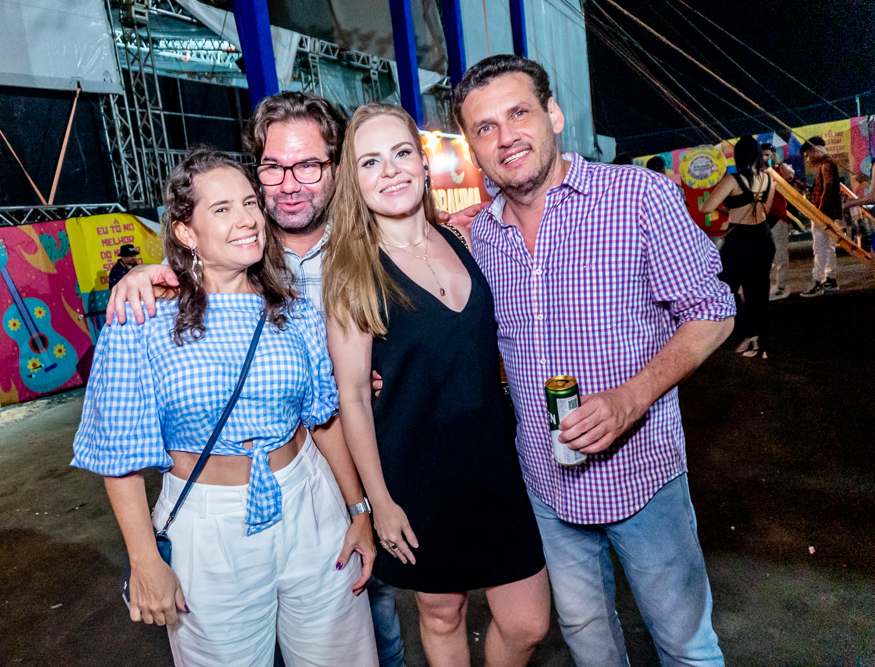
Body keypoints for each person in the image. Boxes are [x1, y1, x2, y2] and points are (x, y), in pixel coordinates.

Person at [106, 91, 484, 667]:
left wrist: (361, 507)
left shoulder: (367, 248)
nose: (286, 185)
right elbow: (120, 448)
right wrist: (149, 274)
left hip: (353, 476)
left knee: (374, 639)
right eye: (272, 168)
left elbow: (334, 404)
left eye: (308, 165)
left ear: (336, 169)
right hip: (213, 511)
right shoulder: (158, 306)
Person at [452, 54, 734, 667]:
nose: (506, 137)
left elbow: (714, 311)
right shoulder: (480, 237)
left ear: (553, 114)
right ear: (474, 148)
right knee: (587, 639)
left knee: (685, 644)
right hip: (547, 485)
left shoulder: (639, 198)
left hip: (643, 478)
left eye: (519, 113)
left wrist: (633, 397)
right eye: (485, 127)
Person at [74, 149, 378, 667]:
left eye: (250, 203)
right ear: (185, 231)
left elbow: (322, 421)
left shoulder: (293, 310)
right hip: (206, 524)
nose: (247, 219)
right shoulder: (141, 319)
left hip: (310, 503)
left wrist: (358, 510)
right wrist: (144, 558)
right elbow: (118, 454)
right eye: (221, 209)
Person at [324, 103, 550, 667]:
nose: (390, 170)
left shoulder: (468, 241)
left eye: (402, 153)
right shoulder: (353, 272)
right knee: (443, 613)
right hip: (416, 472)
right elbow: (353, 397)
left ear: (424, 165)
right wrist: (379, 502)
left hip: (496, 462)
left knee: (527, 623)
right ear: (354, 180)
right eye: (370, 162)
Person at [699, 137, 775, 358]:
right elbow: (766, 209)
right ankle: (758, 340)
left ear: (738, 156)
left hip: (740, 239)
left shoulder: (732, 180)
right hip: (763, 237)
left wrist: (728, 209)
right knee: (758, 290)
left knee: (725, 287)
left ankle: (743, 334)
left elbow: (706, 207)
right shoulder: (769, 179)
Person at [799, 136, 843, 297]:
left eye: (808, 155)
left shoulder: (826, 165)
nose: (808, 159)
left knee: (819, 248)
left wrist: (820, 214)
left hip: (823, 215)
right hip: (829, 215)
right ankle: (830, 280)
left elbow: (828, 189)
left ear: (814, 149)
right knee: (828, 247)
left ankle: (817, 281)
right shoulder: (829, 163)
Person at [761, 144, 793, 300]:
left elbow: (790, 176)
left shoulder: (779, 170)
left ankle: (781, 286)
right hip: (762, 218)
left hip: (778, 216)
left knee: (780, 253)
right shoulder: (758, 172)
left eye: (768, 154)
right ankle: (773, 284)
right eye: (763, 155)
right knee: (767, 255)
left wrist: (779, 163)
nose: (765, 158)